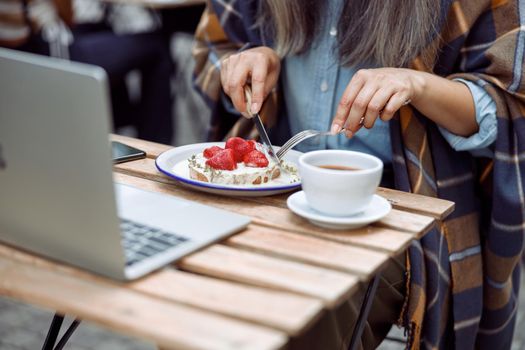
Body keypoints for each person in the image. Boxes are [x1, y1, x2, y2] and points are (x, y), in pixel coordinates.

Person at [192, 1, 525, 349]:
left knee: (307, 317)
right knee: (192, 291)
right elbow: (211, 49)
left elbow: (509, 107)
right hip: (275, 188)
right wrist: (248, 63)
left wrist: (419, 85)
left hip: (400, 209)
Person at [0, 0, 174, 144]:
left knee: (103, 27)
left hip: (11, 59)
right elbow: (67, 14)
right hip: (49, 54)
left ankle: (119, 128)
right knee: (155, 46)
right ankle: (154, 143)